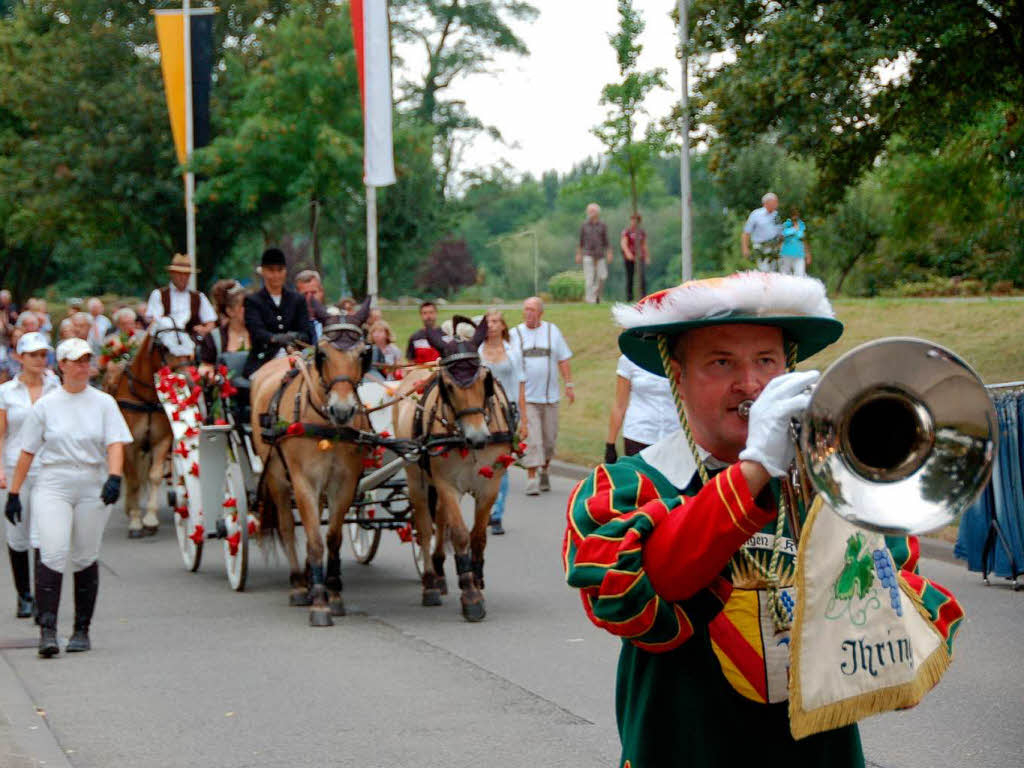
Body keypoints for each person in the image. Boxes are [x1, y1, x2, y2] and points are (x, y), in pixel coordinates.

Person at [562, 272, 963, 767]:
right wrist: (755, 468)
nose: (750, 384)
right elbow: (636, 600)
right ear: (678, 377)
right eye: (722, 362)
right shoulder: (625, 487)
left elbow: (898, 641)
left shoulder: (835, 487)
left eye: (766, 361)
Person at [4, 337, 131, 657]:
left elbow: (115, 442)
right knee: (53, 549)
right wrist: (15, 492)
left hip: (91, 480)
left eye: (86, 360)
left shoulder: (103, 402)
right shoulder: (47, 405)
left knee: (86, 554)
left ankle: (81, 629)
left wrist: (114, 477)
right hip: (54, 481)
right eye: (75, 360)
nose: (82, 366)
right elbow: (28, 450)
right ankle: (48, 630)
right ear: (61, 365)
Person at [0, 332, 60, 618]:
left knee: (43, 531)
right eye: (33, 354)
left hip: (48, 466)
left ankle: (41, 595)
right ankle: (23, 594)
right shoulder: (6, 392)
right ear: (19, 357)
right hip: (15, 467)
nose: (39, 359)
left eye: (42, 354)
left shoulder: (55, 386)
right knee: (18, 532)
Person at [511, 297, 573, 496]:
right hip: (527, 398)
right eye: (526, 309)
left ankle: (544, 469)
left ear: (541, 313)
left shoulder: (552, 331)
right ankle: (531, 479)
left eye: (532, 310)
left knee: (548, 441)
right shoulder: (515, 334)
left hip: (550, 397)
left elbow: (563, 358)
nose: (528, 313)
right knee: (533, 440)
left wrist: (569, 384)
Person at [479, 310, 527, 534]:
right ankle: (485, 506)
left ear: (503, 326)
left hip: (507, 413)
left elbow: (521, 386)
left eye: (495, 321)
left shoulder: (513, 353)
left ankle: (497, 513)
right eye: (488, 322)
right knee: (480, 462)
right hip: (481, 413)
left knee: (501, 463)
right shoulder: (477, 352)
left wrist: (524, 421)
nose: (491, 325)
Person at [242, 247, 313, 379]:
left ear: (285, 271)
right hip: (264, 359)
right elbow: (257, 332)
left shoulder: (297, 300)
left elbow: (306, 332)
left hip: (295, 357)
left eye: (280, 270)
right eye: (271, 271)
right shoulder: (253, 301)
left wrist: (293, 337)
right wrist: (275, 338)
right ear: (263, 271)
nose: (276, 275)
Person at [604, 353, 679, 464]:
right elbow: (620, 405)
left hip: (673, 436)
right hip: (638, 435)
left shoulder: (679, 358)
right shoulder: (629, 359)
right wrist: (610, 444)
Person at [145, 253, 217, 339]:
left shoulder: (199, 297)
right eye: (179, 273)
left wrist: (204, 329)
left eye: (186, 274)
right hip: (165, 340)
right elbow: (155, 320)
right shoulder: (158, 294)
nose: (183, 277)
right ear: (172, 274)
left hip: (192, 339)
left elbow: (211, 322)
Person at [576, 202, 612, 303]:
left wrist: (609, 253)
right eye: (589, 211)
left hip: (600, 255)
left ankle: (596, 295)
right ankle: (590, 299)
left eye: (592, 211)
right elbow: (580, 241)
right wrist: (578, 254)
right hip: (588, 254)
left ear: (597, 212)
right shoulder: (584, 225)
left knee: (602, 276)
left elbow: (606, 241)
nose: (590, 213)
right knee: (589, 278)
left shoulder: (603, 225)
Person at [742, 192, 784, 272]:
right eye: (775, 202)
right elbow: (746, 233)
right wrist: (745, 248)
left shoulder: (778, 215)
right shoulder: (756, 214)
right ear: (766, 203)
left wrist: (780, 246)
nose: (777, 204)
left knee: (775, 270)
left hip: (774, 247)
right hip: (760, 247)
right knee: (764, 269)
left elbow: (781, 233)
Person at [620, 212, 650, 302]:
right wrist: (628, 253)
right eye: (633, 220)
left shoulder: (641, 232)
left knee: (642, 278)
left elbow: (644, 244)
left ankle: (643, 297)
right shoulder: (627, 231)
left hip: (640, 257)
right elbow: (623, 243)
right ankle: (629, 298)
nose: (634, 222)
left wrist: (647, 256)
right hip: (630, 258)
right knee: (630, 277)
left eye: (636, 220)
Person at [294, 269, 330, 340]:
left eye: (313, 293)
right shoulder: (291, 324)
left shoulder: (335, 318)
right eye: (305, 294)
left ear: (321, 292)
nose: (310, 298)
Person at [780, 207, 811, 276]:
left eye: (797, 213)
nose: (795, 215)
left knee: (800, 274)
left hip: (799, 254)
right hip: (786, 253)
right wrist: (794, 229)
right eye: (793, 213)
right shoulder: (786, 224)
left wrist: (808, 254)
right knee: (784, 274)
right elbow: (782, 236)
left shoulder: (802, 225)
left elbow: (804, 240)